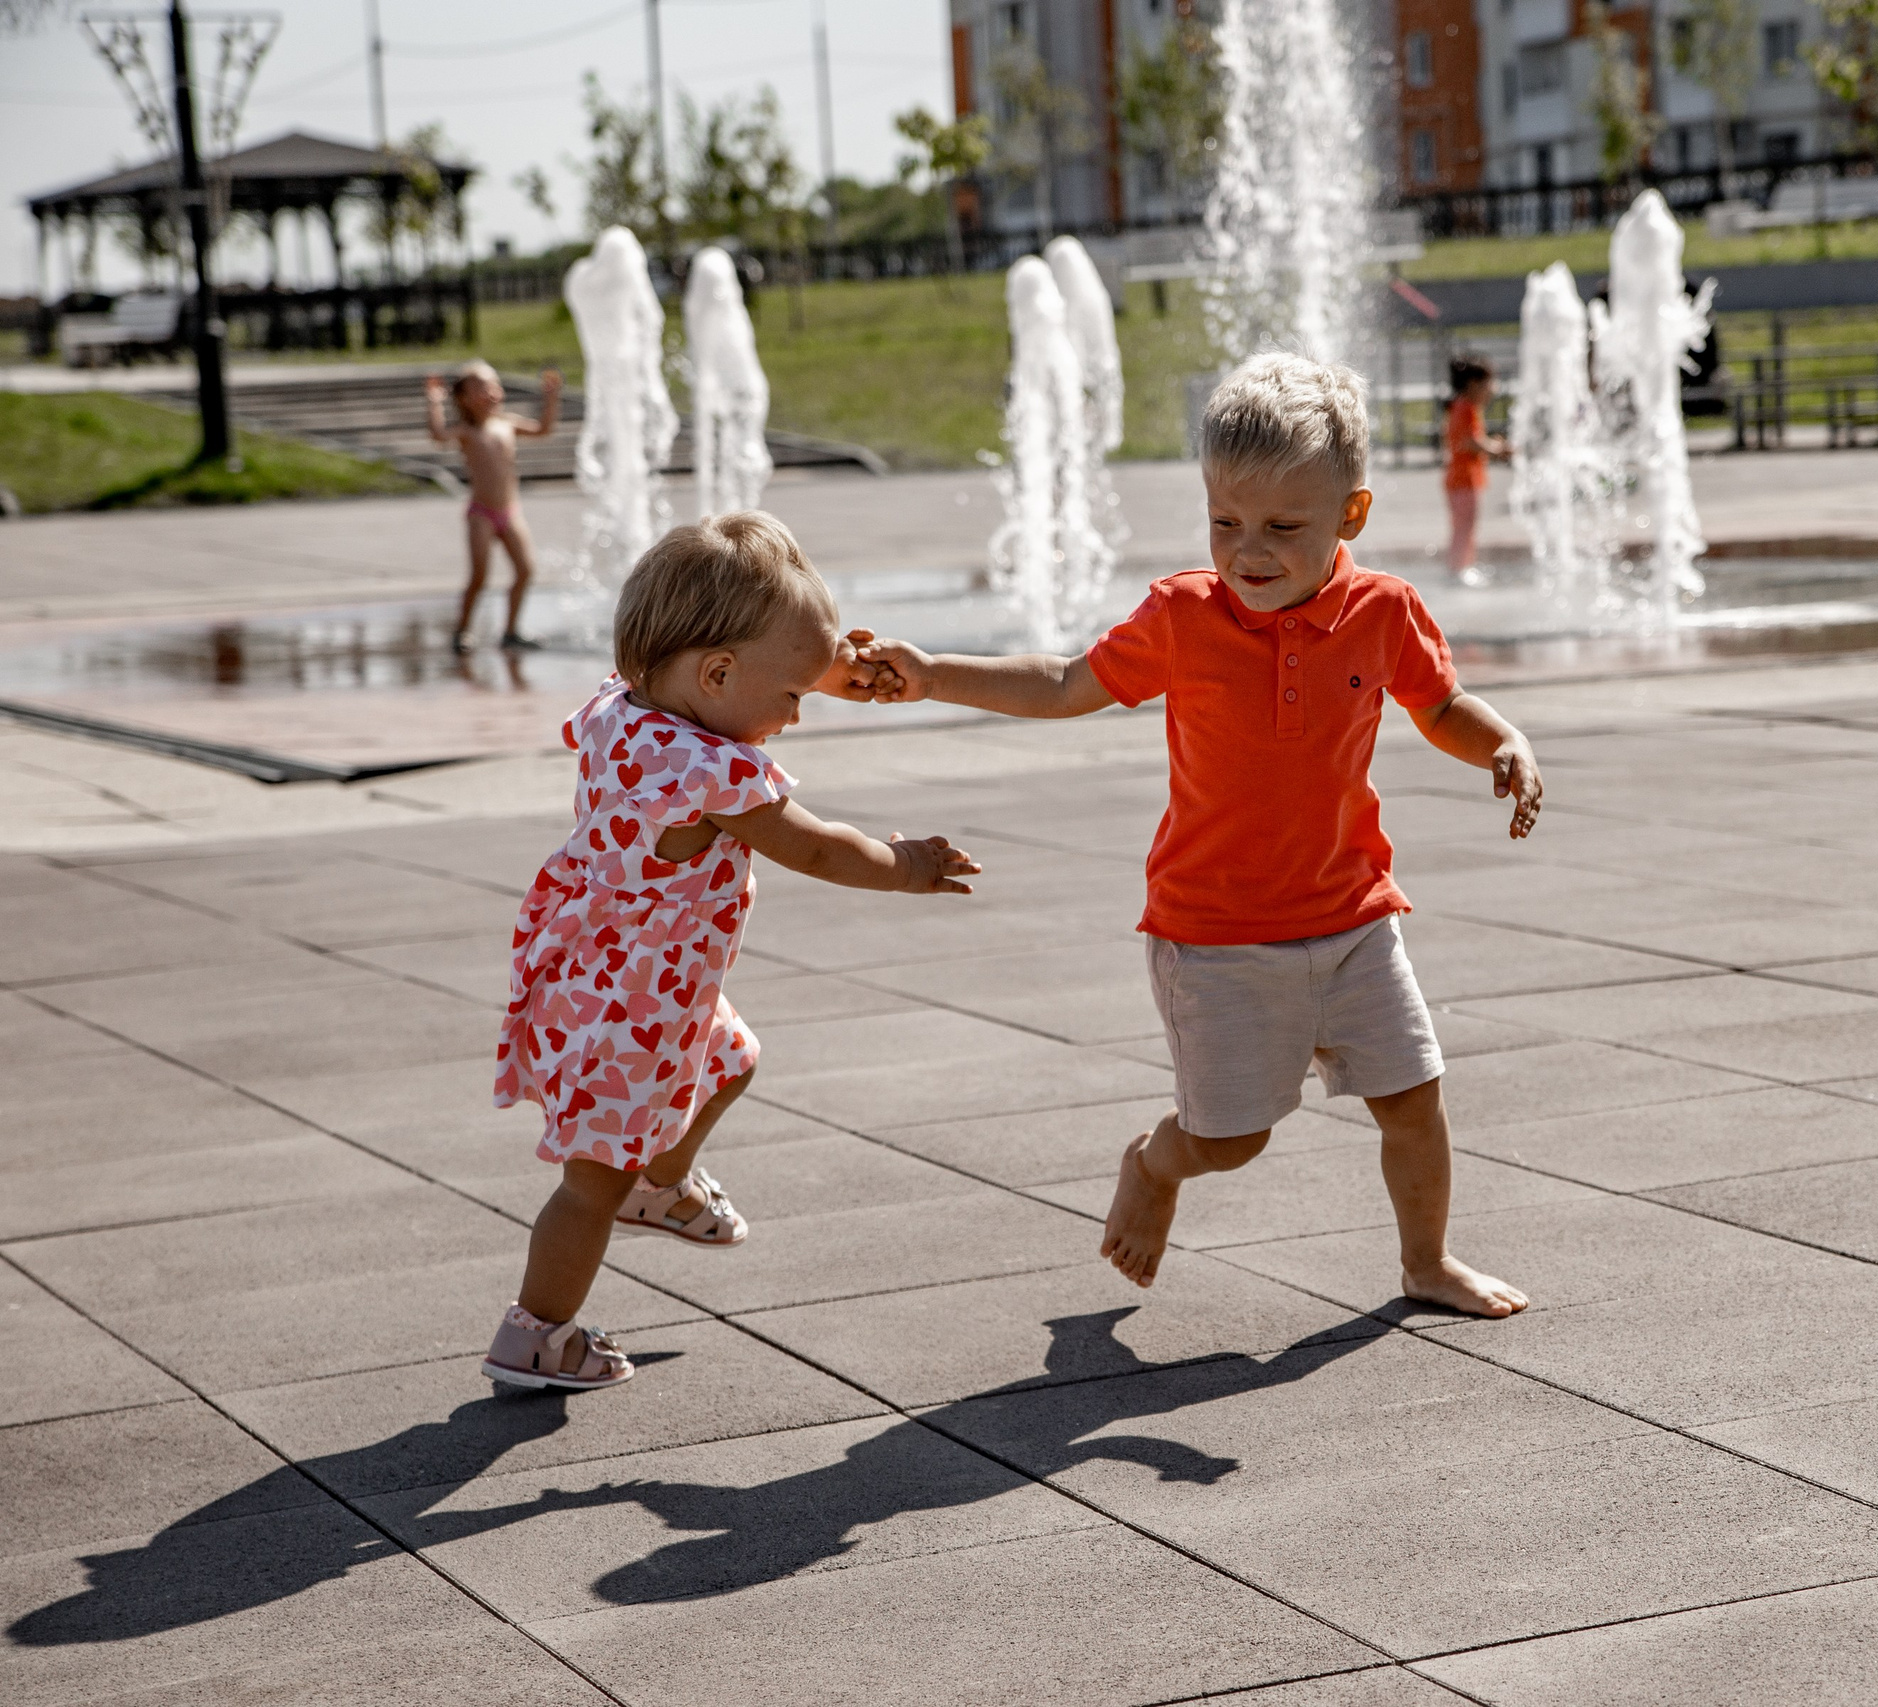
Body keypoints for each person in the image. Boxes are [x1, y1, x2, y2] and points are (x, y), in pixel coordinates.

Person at [859, 353, 1537, 1319]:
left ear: (1352, 515)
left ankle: (1425, 1262)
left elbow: (1441, 705)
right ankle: (1155, 1163)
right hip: (1216, 934)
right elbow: (1062, 684)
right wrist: (932, 674)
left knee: (1414, 1097)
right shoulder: (1183, 615)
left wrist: (1502, 741)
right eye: (1225, 523)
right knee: (1231, 1140)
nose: (1248, 552)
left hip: (1353, 915)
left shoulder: (1384, 612)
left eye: (1281, 528)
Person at [482, 512, 980, 1391]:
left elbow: (737, 667)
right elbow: (818, 846)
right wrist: (906, 866)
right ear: (718, 674)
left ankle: (658, 1184)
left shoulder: (621, 709)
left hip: (609, 976)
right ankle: (536, 1335)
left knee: (732, 1058)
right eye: (792, 694)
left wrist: (828, 668)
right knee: (587, 1186)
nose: (798, 711)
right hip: (629, 1014)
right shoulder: (715, 775)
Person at [425, 359, 560, 654]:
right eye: (482, 387)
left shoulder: (507, 423)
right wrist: (435, 403)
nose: (491, 391)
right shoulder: (466, 431)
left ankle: (511, 631)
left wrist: (550, 398)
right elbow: (437, 435)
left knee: (525, 570)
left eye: (493, 384)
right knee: (479, 577)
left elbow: (543, 430)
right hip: (481, 515)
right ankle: (463, 630)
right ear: (464, 399)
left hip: (510, 512)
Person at [1441, 354, 1510, 587]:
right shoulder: (1465, 408)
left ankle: (1463, 567)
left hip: (1462, 479)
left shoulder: (1462, 407)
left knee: (1465, 526)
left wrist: (1494, 446)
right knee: (1464, 526)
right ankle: (1459, 570)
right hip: (1463, 479)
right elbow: (1472, 442)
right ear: (1473, 384)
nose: (1493, 389)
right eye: (1488, 384)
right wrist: (1497, 449)